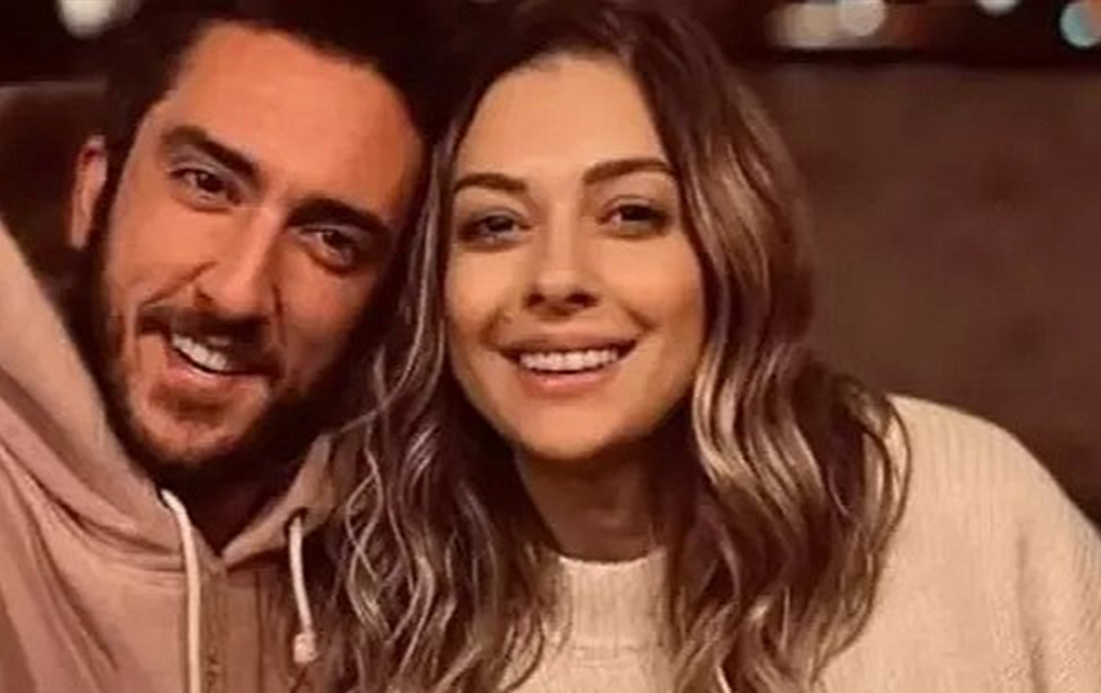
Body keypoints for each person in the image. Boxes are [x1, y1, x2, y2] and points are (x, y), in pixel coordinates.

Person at [325, 1, 1101, 692]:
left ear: (728, 246)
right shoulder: (377, 607)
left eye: (631, 214)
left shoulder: (961, 507)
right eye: (495, 224)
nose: (556, 277)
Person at [0, 2, 461, 692]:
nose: (236, 293)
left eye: (330, 240)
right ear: (92, 190)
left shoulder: (414, 562)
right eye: (207, 185)